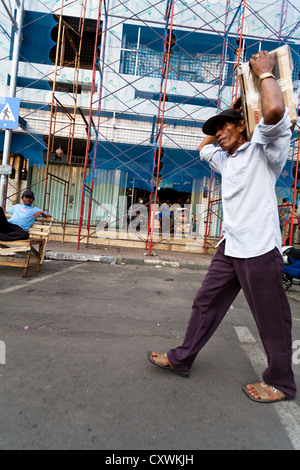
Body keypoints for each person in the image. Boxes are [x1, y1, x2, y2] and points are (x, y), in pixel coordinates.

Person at [147, 50, 297, 403]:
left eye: (223, 127)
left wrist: (263, 75)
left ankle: (281, 383)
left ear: (244, 125)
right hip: (230, 248)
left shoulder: (265, 148)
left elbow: (275, 112)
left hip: (260, 249)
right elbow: (202, 149)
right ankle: (183, 358)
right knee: (206, 302)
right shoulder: (226, 159)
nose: (217, 134)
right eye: (216, 130)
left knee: (271, 320)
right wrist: (227, 121)